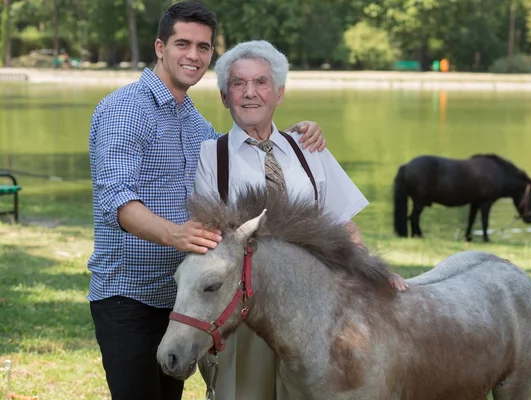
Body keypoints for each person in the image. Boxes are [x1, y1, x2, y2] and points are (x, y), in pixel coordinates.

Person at [86, 3, 325, 400]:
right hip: (128, 296)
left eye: (203, 47)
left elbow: (242, 157)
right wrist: (176, 235)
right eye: (183, 44)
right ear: (161, 47)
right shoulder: (125, 109)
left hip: (187, 300)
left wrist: (292, 137)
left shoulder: (197, 124)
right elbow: (117, 198)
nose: (193, 56)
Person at [193, 39, 408, 400]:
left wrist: (374, 272)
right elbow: (213, 241)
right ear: (223, 96)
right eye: (238, 83)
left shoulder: (309, 148)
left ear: (279, 94)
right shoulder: (211, 157)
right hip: (250, 320)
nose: (250, 93)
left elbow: (343, 224)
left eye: (261, 82)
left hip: (320, 318)